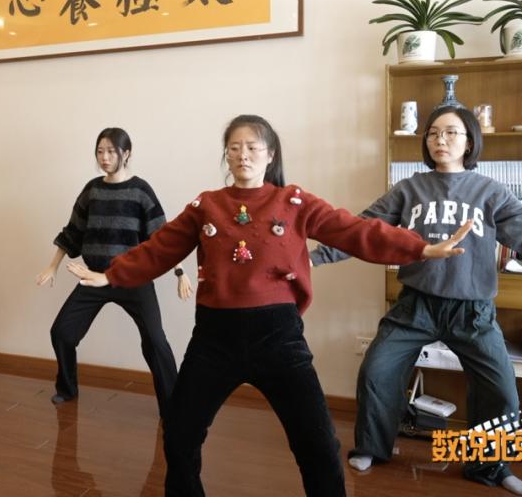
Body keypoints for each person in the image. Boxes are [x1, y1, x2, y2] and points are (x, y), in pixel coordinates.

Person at [68, 114, 473, 497]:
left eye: (252, 147)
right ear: (226, 155)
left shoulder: (293, 201)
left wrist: (419, 247)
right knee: (179, 434)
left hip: (279, 337)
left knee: (317, 444)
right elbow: (161, 247)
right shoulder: (206, 205)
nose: (243, 155)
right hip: (214, 339)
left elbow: (353, 230)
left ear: (270, 155)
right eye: (234, 148)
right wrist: (112, 274)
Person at [310, 105, 522, 496]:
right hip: (415, 306)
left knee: (501, 389)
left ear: (470, 142)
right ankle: (372, 447)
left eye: (451, 132)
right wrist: (313, 258)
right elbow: (363, 230)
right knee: (377, 370)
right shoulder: (409, 189)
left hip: (473, 312)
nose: (440, 140)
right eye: (433, 133)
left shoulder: (490, 192)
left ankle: (490, 467)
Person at [36, 127, 191, 419]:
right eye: (100, 151)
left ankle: (173, 405)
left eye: (111, 151)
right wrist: (52, 265)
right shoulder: (92, 190)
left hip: (134, 279)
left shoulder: (141, 190)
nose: (104, 157)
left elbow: (161, 237)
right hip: (94, 278)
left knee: (155, 341)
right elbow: (72, 232)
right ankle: (67, 388)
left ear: (126, 153)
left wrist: (180, 272)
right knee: (62, 333)